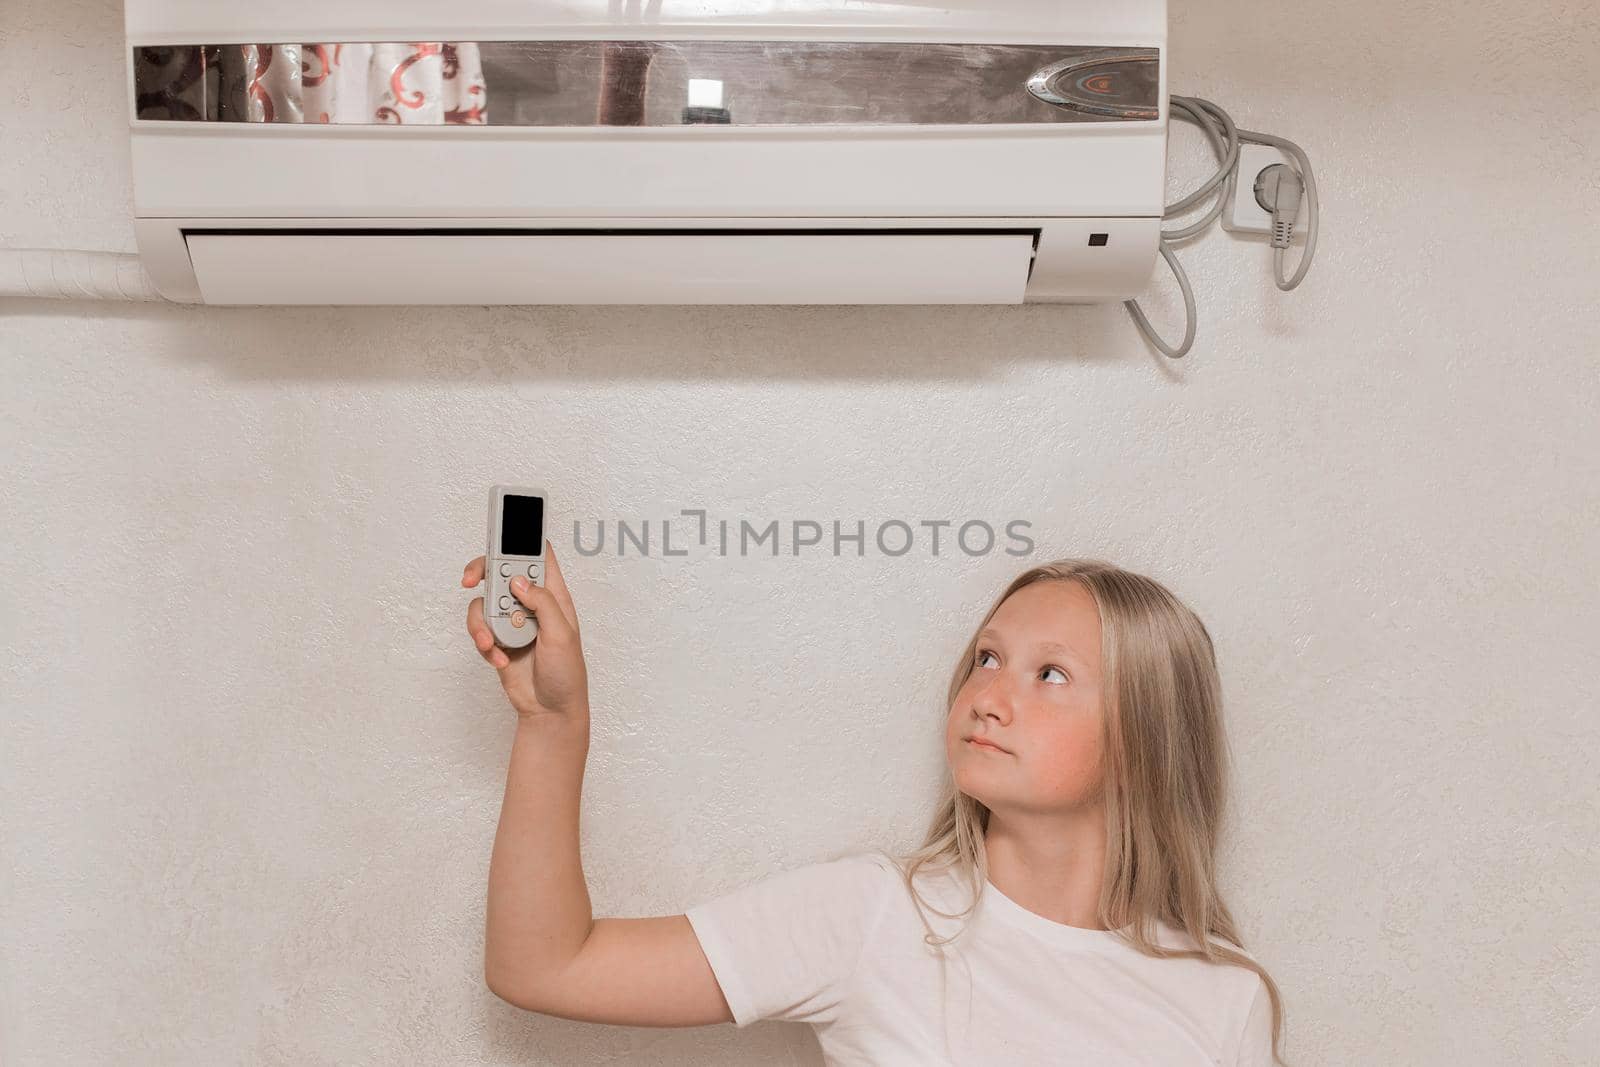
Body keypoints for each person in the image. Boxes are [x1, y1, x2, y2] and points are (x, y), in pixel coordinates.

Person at [466, 541, 1288, 1065]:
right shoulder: (873, 915)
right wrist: (552, 722)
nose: (990, 695)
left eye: (1049, 674)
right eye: (989, 657)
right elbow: (544, 965)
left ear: (1146, 736)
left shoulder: (1222, 995)